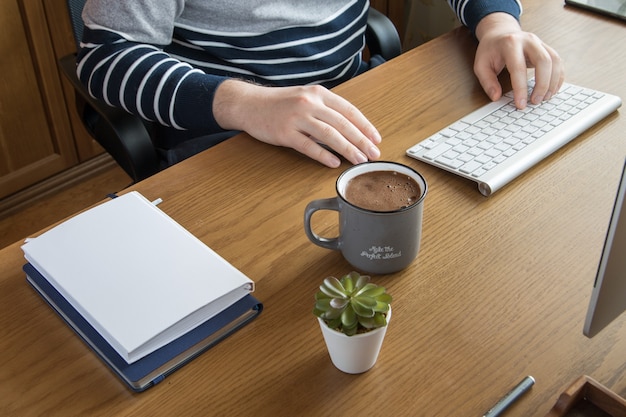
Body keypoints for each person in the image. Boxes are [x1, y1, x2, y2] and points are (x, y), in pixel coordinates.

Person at [77, 1, 564, 167]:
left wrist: (498, 25)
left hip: (353, 99)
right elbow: (105, 57)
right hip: (232, 131)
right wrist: (245, 103)